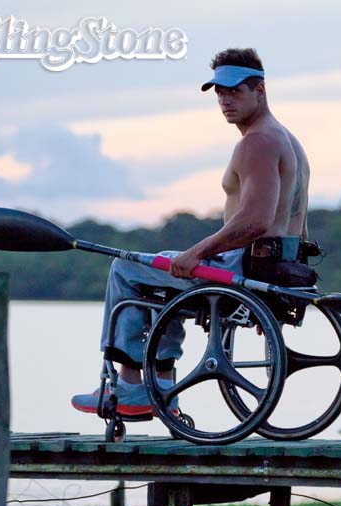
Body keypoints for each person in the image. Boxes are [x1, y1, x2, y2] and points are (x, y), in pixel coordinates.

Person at [72, 48, 310, 416]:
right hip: (271, 264)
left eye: (234, 91)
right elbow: (296, 220)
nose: (224, 100)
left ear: (259, 90)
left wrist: (198, 252)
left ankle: (132, 385)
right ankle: (161, 381)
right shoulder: (289, 140)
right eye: (218, 92)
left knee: (125, 268)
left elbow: (256, 221)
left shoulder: (257, 142)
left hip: (244, 269)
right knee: (161, 270)